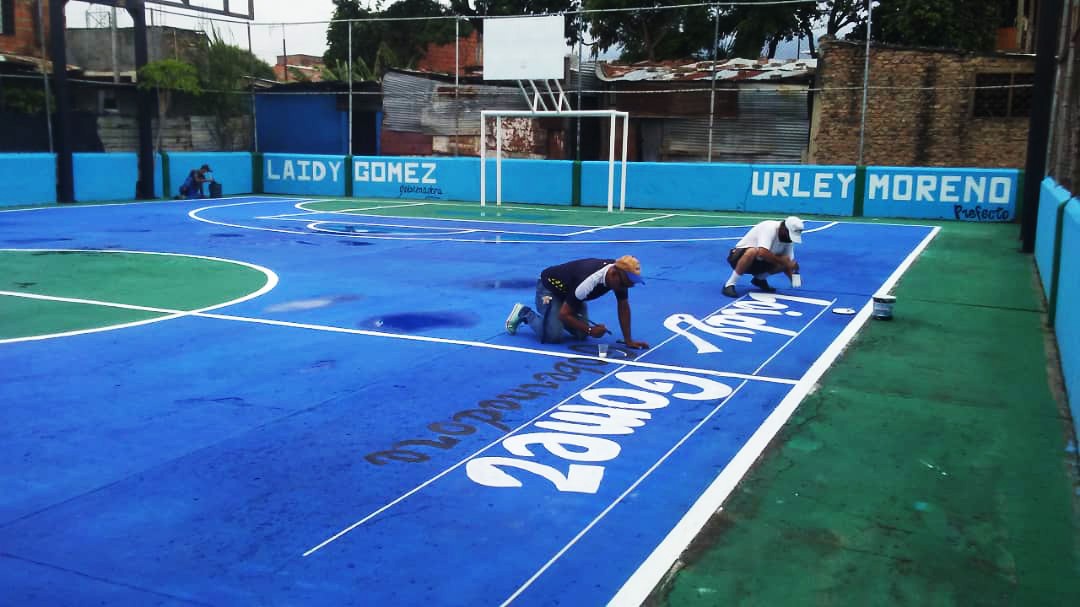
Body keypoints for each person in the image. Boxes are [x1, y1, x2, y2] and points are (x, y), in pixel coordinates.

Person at [505, 256, 650, 349]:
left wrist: (628, 340)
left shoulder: (620, 278)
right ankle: (524, 313)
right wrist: (590, 330)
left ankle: (555, 316)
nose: (628, 287)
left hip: (571, 293)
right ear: (613, 275)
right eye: (626, 283)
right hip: (549, 289)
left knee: (581, 335)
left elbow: (623, 306)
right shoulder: (589, 281)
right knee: (553, 335)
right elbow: (564, 315)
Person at [722, 216, 804, 297]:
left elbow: (788, 262)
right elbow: (762, 253)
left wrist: (794, 278)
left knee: (785, 260)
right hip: (738, 258)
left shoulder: (788, 239)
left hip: (760, 263)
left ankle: (759, 279)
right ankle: (729, 284)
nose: (790, 238)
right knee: (752, 251)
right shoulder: (769, 227)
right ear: (784, 228)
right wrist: (782, 261)